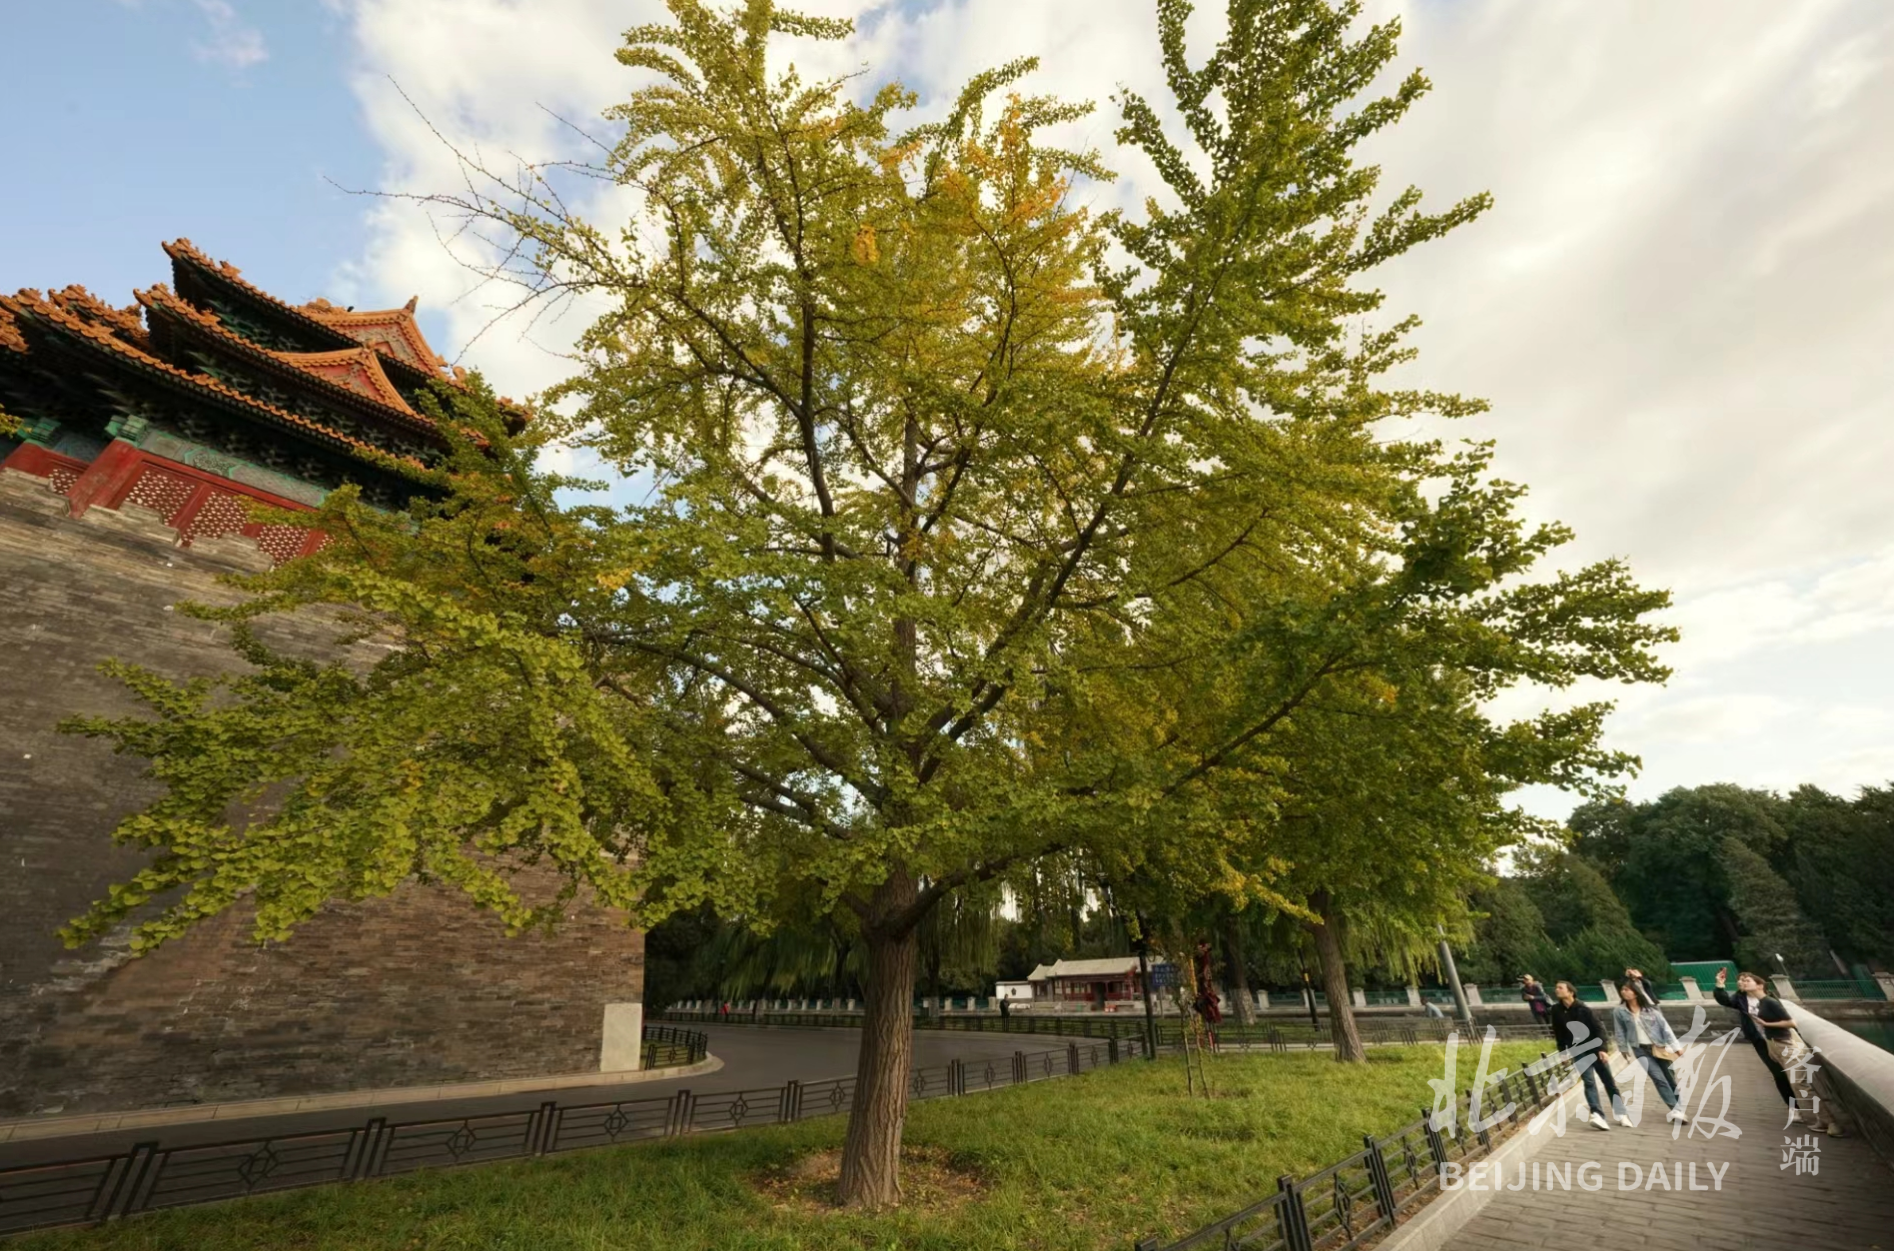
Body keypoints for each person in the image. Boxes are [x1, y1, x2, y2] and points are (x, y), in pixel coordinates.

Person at [1712, 968, 1843, 1135]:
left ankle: (1830, 1121)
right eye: (1740, 980)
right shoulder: (1741, 999)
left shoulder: (1769, 1001)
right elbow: (1724, 1000)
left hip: (1785, 1042)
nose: (1741, 982)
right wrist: (1720, 984)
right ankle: (1804, 1112)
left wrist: (1767, 1025)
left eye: (1746, 979)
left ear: (1760, 985)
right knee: (1781, 1076)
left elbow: (1791, 1022)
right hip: (1766, 1043)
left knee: (1799, 1082)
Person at [1550, 980, 1630, 1130]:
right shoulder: (1556, 1010)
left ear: (1570, 992)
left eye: (1560, 988)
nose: (1557, 990)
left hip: (1594, 1048)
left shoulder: (1584, 1009)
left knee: (1608, 1082)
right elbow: (1559, 1033)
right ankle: (1597, 1114)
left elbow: (1599, 1029)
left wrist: (1602, 1049)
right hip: (1578, 1051)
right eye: (1556, 988)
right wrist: (1563, 1053)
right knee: (1589, 1081)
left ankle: (1621, 1113)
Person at [1611, 983, 1687, 1123]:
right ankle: (1675, 1109)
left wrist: (1676, 1047)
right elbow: (1620, 1031)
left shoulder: (1650, 1009)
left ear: (1635, 992)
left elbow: (1665, 1028)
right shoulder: (1619, 1011)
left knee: (1669, 1078)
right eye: (1622, 989)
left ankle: (1679, 1108)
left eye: (1627, 989)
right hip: (1640, 1049)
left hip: (1659, 1047)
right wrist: (1623, 1048)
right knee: (1658, 1078)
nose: (1623, 992)